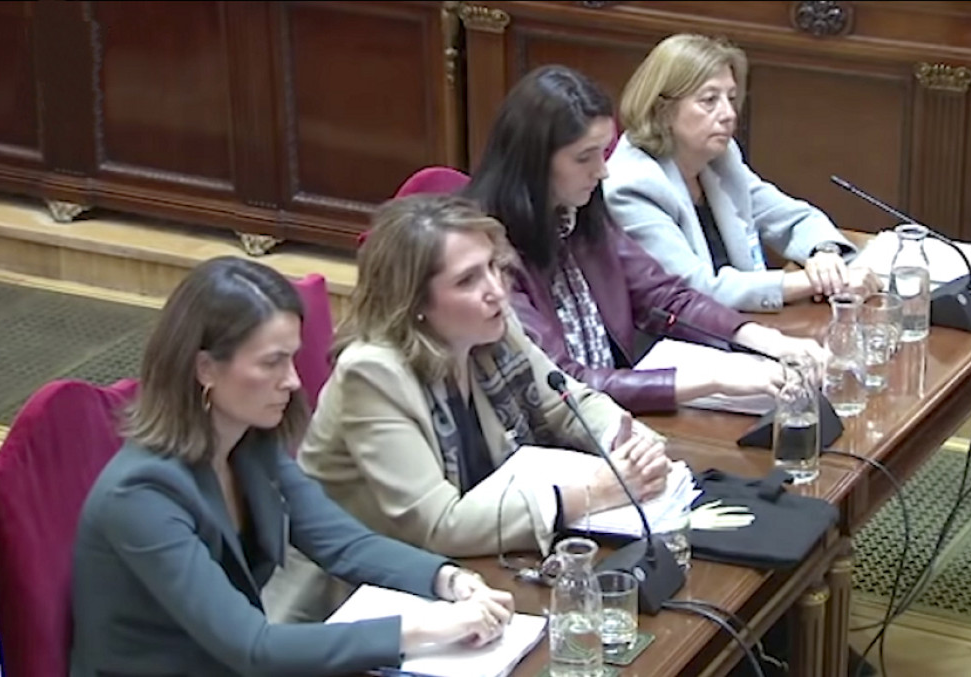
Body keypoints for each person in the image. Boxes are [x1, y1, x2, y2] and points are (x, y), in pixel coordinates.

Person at [69, 256, 514, 677]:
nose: (293, 380)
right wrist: (426, 629)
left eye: (291, 358)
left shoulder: (249, 444)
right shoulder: (141, 494)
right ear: (205, 368)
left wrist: (448, 579)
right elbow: (253, 646)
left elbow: (344, 544)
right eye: (272, 363)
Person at [265, 195, 670, 623]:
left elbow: (570, 403)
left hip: (470, 571)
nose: (496, 290)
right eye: (467, 280)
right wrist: (587, 495)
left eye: (493, 266)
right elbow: (438, 525)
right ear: (415, 302)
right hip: (351, 599)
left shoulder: (492, 328)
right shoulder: (372, 373)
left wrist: (629, 446)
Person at [461, 64, 827, 415]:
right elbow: (562, 381)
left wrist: (767, 340)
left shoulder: (575, 213)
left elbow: (664, 296)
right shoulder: (485, 254)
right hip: (560, 429)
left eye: (603, 152)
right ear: (534, 161)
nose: (602, 171)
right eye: (585, 157)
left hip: (613, 412)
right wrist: (713, 380)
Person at [604, 33, 880, 313]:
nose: (729, 114)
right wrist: (812, 282)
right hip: (676, 333)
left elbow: (793, 217)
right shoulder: (633, 186)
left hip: (739, 323)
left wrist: (825, 254)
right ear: (662, 109)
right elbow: (694, 289)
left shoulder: (718, 159)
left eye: (731, 98)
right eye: (709, 100)